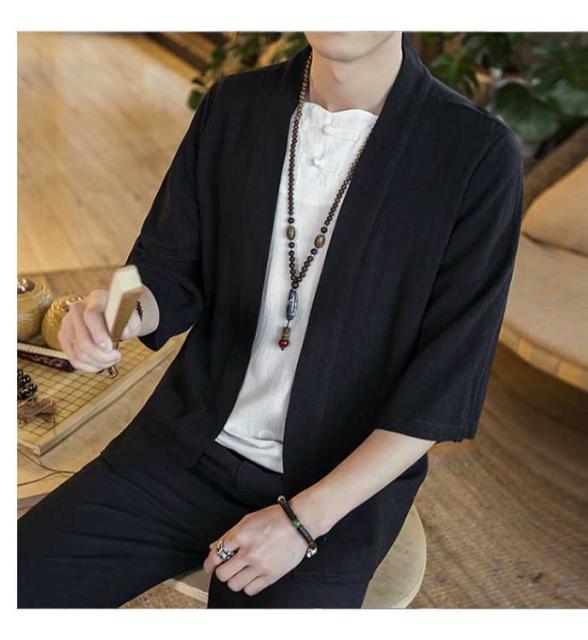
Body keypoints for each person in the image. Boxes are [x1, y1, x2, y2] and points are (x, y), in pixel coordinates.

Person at [18, 31, 524, 608]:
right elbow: (163, 267)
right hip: (184, 447)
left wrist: (303, 522)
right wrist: (113, 313)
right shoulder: (235, 104)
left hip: (332, 494)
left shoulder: (475, 154)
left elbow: (442, 387)